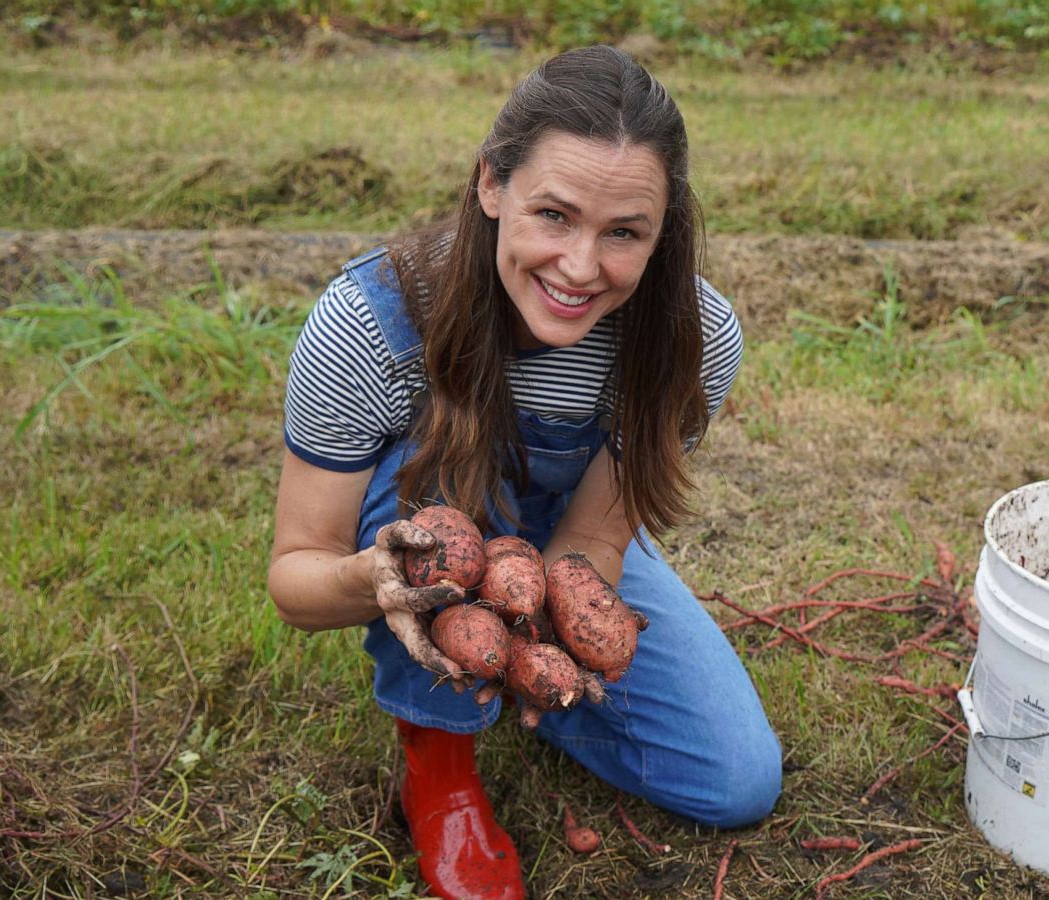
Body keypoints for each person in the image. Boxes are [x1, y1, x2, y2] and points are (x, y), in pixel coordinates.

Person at [266, 45, 782, 900]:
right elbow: (295, 577)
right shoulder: (367, 322)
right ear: (491, 186)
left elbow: (590, 541)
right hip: (430, 535)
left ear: (665, 229)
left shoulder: (693, 337)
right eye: (554, 215)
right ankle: (437, 762)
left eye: (624, 232)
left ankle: (507, 682)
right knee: (444, 529)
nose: (580, 268)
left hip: (544, 554)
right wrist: (381, 580)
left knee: (734, 782)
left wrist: (544, 635)